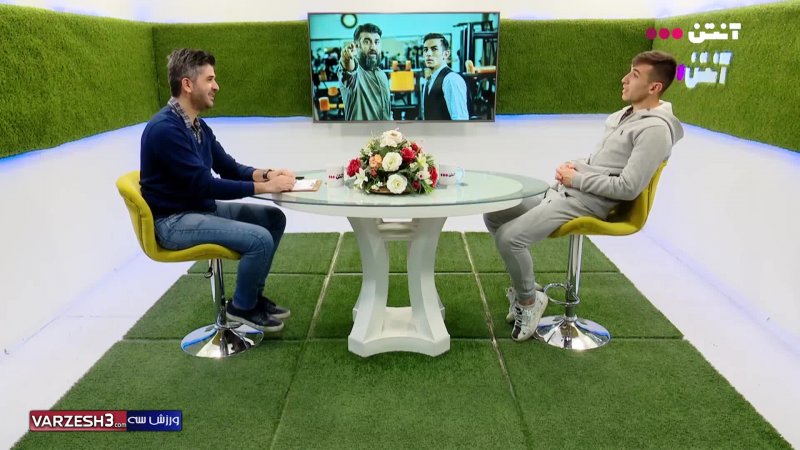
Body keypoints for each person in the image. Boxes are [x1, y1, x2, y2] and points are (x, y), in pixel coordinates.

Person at [483, 51, 684, 342]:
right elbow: (603, 164)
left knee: (509, 238)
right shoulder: (625, 116)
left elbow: (628, 187)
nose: (624, 79)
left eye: (634, 75)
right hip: (568, 193)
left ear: (655, 87)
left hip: (586, 203)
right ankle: (525, 284)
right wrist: (575, 165)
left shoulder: (655, 130)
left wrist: (576, 178)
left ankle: (529, 301)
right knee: (495, 214)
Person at [140, 48, 296, 333]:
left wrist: (267, 174)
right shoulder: (165, 130)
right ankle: (242, 308)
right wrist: (265, 187)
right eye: (210, 79)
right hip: (174, 221)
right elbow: (206, 185)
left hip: (200, 208)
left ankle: (251, 298)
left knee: (274, 219)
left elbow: (228, 167)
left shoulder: (197, 126)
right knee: (259, 239)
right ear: (188, 84)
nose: (216, 86)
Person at [338, 23, 391, 121]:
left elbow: (387, 112)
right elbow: (348, 68)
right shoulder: (355, 74)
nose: (373, 47)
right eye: (367, 42)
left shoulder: (382, 75)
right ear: (356, 45)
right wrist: (347, 58)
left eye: (377, 42)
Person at [420, 33, 468, 120]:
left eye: (434, 49)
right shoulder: (428, 82)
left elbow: (460, 120)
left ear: (446, 54)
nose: (428, 53)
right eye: (425, 50)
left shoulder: (451, 79)